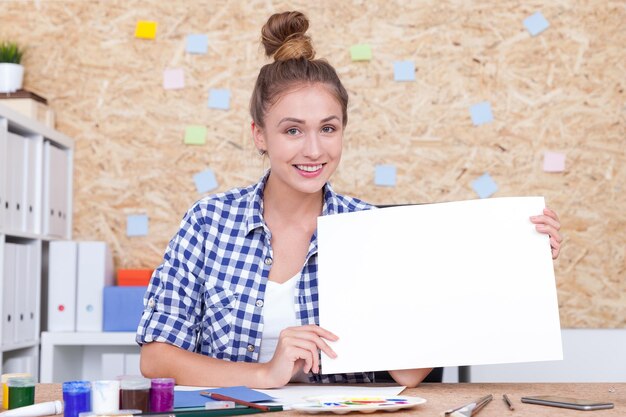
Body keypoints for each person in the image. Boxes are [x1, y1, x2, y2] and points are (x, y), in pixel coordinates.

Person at [136, 10, 562, 389]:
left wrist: (511, 260)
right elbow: (156, 360)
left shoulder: (370, 229)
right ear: (259, 135)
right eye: (292, 130)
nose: (314, 150)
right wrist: (265, 373)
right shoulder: (208, 222)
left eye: (328, 128)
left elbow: (410, 374)